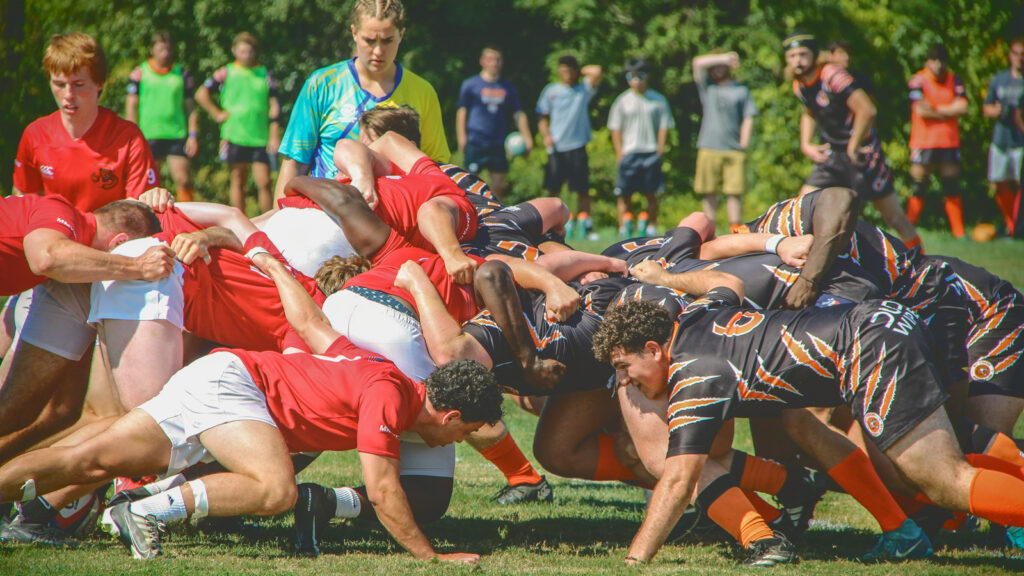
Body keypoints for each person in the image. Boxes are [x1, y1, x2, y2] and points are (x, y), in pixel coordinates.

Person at [274, 0, 449, 202]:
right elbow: (294, 163)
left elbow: (437, 168)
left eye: (387, 40)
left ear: (401, 35)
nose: (377, 51)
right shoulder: (322, 84)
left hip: (396, 217)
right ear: (354, 33)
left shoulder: (423, 91)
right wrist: (279, 221)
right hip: (326, 211)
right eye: (369, 40)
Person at [783, 31, 921, 250]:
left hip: (863, 154)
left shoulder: (832, 75)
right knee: (800, 210)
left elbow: (867, 110)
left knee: (893, 217)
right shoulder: (799, 85)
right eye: (791, 56)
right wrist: (805, 144)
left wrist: (854, 145)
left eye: (802, 54)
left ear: (815, 54)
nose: (797, 61)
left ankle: (924, 264)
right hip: (831, 155)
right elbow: (808, 112)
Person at [13, 32, 160, 213]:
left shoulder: (128, 138)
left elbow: (141, 212)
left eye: (79, 84)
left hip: (113, 238)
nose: (68, 95)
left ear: (99, 83)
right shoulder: (35, 135)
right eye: (59, 84)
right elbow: (22, 200)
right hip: (56, 236)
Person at [195, 32, 281, 213]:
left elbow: (274, 105)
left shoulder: (264, 74)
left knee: (264, 181)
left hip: (259, 135)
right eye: (242, 51)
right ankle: (238, 220)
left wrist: (274, 133)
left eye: (249, 51)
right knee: (237, 179)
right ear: (235, 51)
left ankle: (268, 220)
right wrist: (216, 113)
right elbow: (201, 93)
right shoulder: (226, 72)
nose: (246, 55)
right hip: (234, 134)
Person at [126, 31, 199, 202]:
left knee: (183, 180)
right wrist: (131, 136)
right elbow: (131, 105)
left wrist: (193, 135)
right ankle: (148, 222)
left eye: (167, 49)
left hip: (176, 134)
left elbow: (191, 108)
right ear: (152, 50)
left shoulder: (182, 74)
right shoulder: (139, 73)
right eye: (160, 49)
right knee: (148, 185)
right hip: (148, 135)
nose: (164, 53)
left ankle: (187, 220)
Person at [905, 43, 969, 238]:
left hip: (948, 141)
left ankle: (959, 232)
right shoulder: (918, 80)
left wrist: (936, 110)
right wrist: (948, 109)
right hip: (923, 141)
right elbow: (921, 109)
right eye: (934, 60)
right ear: (928, 61)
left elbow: (963, 107)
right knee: (918, 185)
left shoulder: (954, 80)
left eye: (942, 60)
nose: (939, 65)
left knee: (951, 185)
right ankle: (907, 230)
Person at [456, 46, 533, 201]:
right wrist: (461, 137)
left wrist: (527, 137)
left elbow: (518, 113)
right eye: (490, 59)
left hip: (498, 143)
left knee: (498, 187)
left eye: (497, 60)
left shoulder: (508, 87)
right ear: (482, 61)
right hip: (476, 141)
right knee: (470, 186)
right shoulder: (470, 85)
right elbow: (462, 112)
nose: (494, 63)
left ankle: (496, 220)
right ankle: (473, 218)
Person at [608, 58, 675, 236]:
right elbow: (615, 128)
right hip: (629, 153)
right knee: (624, 194)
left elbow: (664, 126)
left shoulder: (658, 100)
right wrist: (619, 153)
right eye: (631, 76)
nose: (636, 81)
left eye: (640, 76)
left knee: (651, 193)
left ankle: (651, 227)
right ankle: (623, 227)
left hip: (650, 153)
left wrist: (659, 150)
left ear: (648, 77)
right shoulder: (622, 101)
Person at [536, 55, 602, 234]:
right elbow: (542, 117)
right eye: (563, 71)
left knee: (582, 188)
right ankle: (548, 225)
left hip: (577, 145)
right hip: (556, 147)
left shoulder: (583, 90)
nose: (566, 74)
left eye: (569, 71)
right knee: (553, 188)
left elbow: (596, 71)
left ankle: (585, 225)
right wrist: (546, 136)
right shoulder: (551, 90)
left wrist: (578, 70)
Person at [691, 51, 756, 233]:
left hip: (734, 149)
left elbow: (749, 116)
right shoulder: (708, 88)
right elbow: (697, 62)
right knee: (709, 190)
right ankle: (708, 229)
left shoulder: (741, 90)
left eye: (722, 66)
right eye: (715, 66)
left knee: (734, 192)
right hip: (709, 146)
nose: (718, 70)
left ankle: (734, 227)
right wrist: (724, 58)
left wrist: (744, 141)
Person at [982, 38, 1023, 236]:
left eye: (1023, 54)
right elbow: (986, 107)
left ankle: (1018, 226)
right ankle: (1012, 224)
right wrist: (995, 110)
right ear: (1010, 55)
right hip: (1001, 139)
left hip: (1020, 141)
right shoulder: (999, 79)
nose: (1020, 58)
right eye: (1016, 53)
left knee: (1020, 183)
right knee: (998, 182)